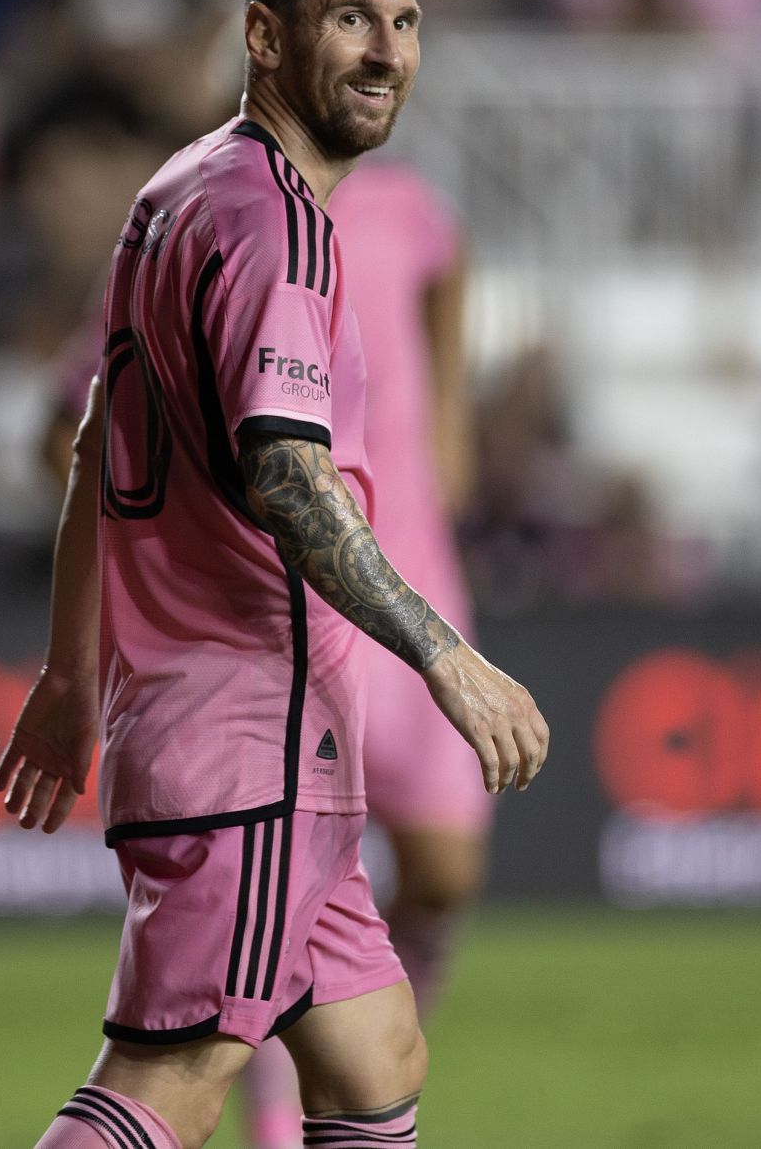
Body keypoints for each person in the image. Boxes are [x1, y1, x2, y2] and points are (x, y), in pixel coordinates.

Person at [0, 0, 550, 1149]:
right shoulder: (280, 225)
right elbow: (288, 480)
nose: (385, 50)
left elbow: (94, 448)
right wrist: (446, 655)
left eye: (403, 22)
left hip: (241, 726)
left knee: (372, 1052)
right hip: (245, 727)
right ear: (263, 34)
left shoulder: (179, 191)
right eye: (350, 18)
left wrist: (71, 674)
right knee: (173, 1078)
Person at [233, 157, 486, 1149]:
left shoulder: (407, 202)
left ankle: (370, 1056)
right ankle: (285, 1113)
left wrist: (452, 405)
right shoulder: (229, 205)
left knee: (445, 870)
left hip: (419, 570)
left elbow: (452, 267)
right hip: (290, 589)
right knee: (290, 882)